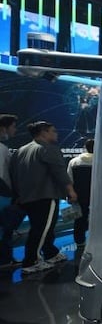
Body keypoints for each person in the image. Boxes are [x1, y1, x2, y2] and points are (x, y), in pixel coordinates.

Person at [10, 121, 78, 274]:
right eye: (53, 131)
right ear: (43, 132)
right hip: (45, 195)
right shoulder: (48, 149)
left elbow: (13, 175)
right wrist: (71, 191)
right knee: (41, 230)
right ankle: (31, 261)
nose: (56, 134)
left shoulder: (21, 151)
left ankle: (50, 252)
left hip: (27, 197)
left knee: (42, 228)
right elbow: (59, 173)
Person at [0, 114, 25, 266]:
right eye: (13, 127)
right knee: (4, 229)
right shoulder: (1, 149)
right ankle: (4, 260)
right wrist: (12, 194)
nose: (15, 130)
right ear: (3, 128)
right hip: (2, 195)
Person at [67, 138, 94, 250]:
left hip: (79, 195)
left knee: (79, 219)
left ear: (85, 147)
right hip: (96, 195)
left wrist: (70, 194)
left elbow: (69, 179)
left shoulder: (74, 162)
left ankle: (79, 241)